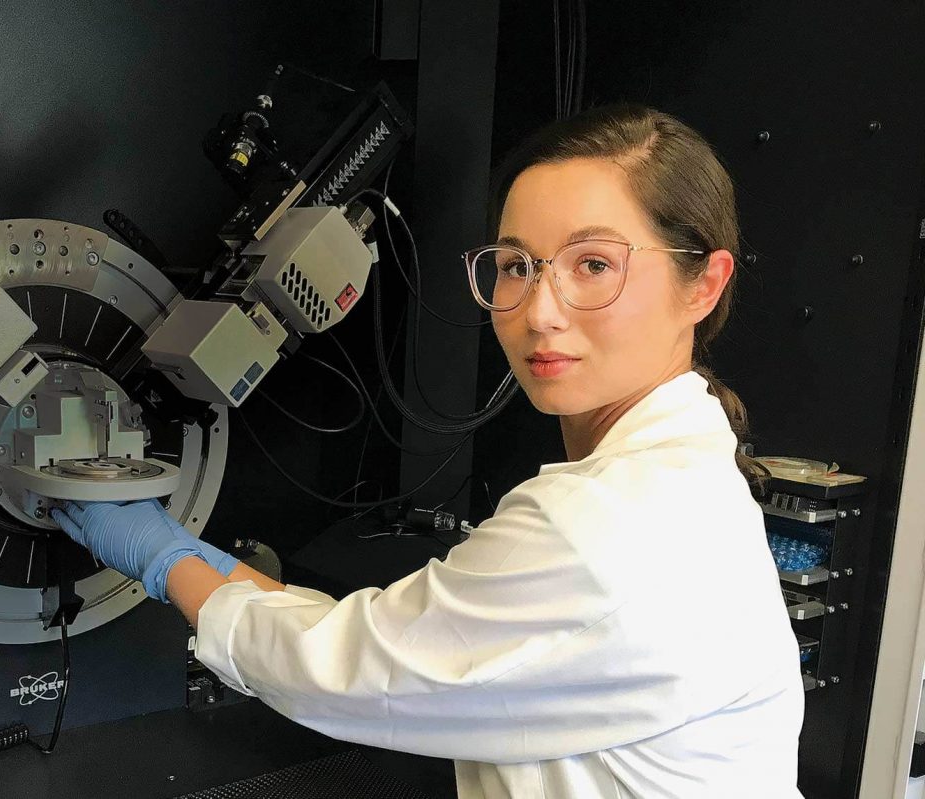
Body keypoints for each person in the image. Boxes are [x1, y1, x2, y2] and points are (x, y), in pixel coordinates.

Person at [52, 104, 804, 799]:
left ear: (702, 284)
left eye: (593, 265)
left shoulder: (603, 523)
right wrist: (206, 564)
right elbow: (393, 646)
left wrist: (160, 556)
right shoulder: (681, 480)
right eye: (516, 265)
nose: (540, 312)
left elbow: (342, 672)